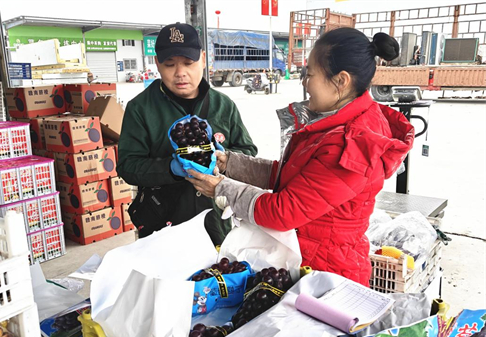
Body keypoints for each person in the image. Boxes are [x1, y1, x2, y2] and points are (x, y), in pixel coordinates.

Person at [186, 28, 414, 286]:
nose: (305, 82)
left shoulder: (351, 144)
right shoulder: (335, 123)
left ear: (341, 81)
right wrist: (232, 163)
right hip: (307, 261)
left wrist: (222, 189)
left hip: (327, 276)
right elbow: (293, 177)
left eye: (311, 74)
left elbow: (285, 211)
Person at [117, 22, 257, 245]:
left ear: (203, 58)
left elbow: (248, 151)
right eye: (170, 64)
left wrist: (225, 161)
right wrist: (171, 169)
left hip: (214, 222)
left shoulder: (223, 105)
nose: (180, 73)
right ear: (157, 63)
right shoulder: (141, 108)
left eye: (188, 63)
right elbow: (128, 166)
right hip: (163, 226)